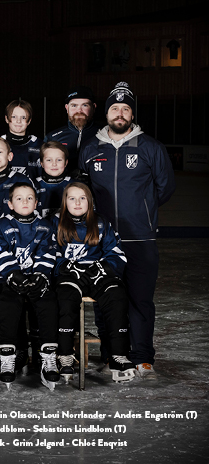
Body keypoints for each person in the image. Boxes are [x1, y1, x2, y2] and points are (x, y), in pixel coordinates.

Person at [79, 82, 175, 379]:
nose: (119, 113)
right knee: (106, 300)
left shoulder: (151, 147)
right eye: (114, 108)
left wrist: (142, 212)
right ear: (106, 113)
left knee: (140, 300)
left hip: (140, 238)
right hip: (102, 242)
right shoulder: (91, 148)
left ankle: (143, 356)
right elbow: (83, 191)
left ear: (132, 114)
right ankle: (112, 353)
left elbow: (165, 188)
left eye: (125, 108)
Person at [51, 182, 134, 383]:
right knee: (66, 299)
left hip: (98, 274)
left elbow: (116, 252)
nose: (77, 203)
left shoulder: (101, 222)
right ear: (65, 202)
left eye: (82, 198)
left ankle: (118, 354)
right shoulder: (54, 222)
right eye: (72, 198)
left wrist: (103, 268)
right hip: (70, 275)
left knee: (116, 294)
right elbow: (47, 252)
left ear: (90, 201)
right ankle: (65, 354)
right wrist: (66, 267)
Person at [0, 182, 59, 389]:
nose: (25, 202)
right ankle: (8, 357)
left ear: (36, 203)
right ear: (10, 204)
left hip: (36, 278)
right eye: (19, 198)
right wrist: (14, 274)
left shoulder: (45, 226)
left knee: (48, 304)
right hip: (11, 279)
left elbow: (48, 251)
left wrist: (40, 275)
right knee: (9, 306)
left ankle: (48, 358)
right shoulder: (1, 225)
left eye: (30, 198)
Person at [0, 99, 41, 179]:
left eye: (23, 117)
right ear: (6, 119)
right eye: (14, 117)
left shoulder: (39, 145)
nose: (18, 121)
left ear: (29, 121)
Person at [44, 86, 98, 173]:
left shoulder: (105, 135)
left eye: (85, 105)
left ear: (93, 107)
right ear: (67, 108)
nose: (79, 111)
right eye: (74, 105)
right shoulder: (52, 137)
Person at [35, 141, 72, 219]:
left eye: (59, 160)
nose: (54, 164)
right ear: (41, 163)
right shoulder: (33, 185)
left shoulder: (76, 185)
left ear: (66, 163)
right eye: (49, 160)